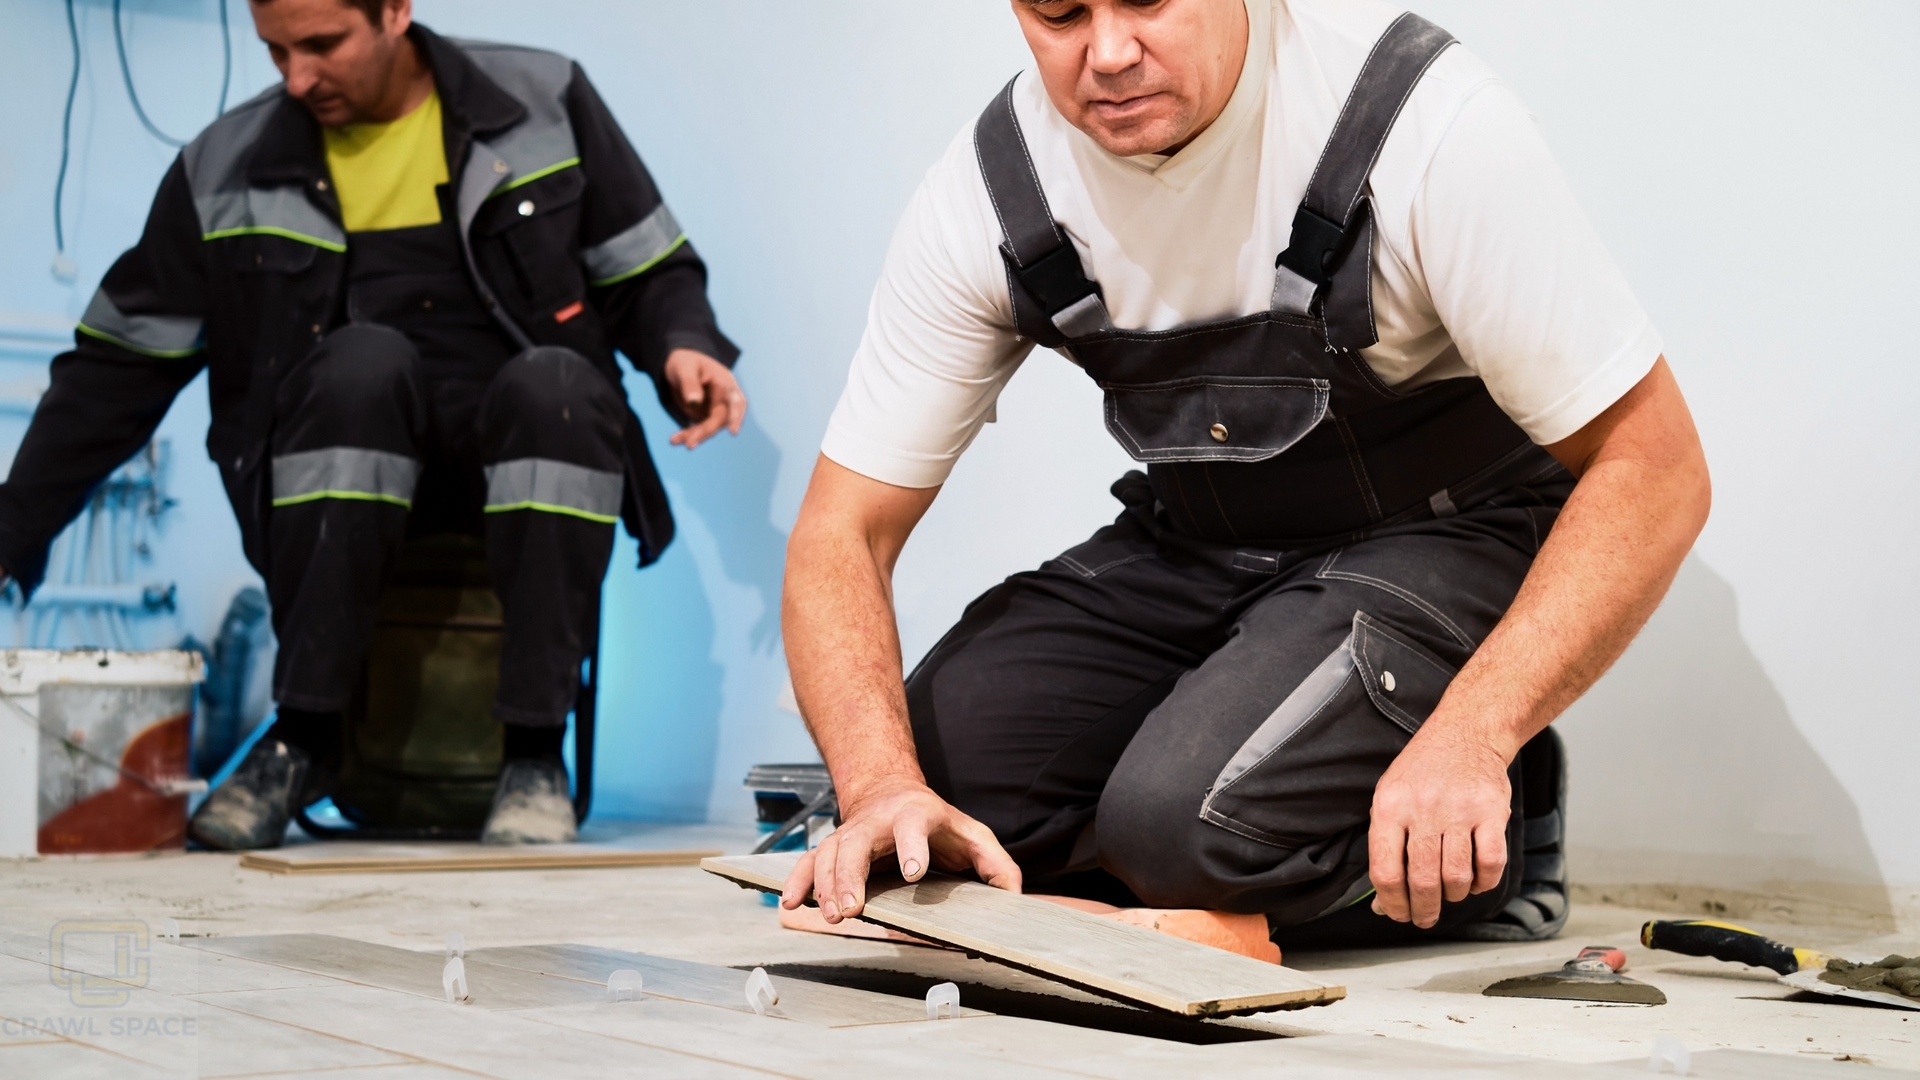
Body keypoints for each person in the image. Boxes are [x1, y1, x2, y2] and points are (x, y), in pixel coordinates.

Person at [778, 0, 1710, 944]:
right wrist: (878, 786)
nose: (1106, 53)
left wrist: (1476, 733)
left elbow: (1655, 470)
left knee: (1186, 831)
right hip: (1201, 543)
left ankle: (1497, 822)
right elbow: (841, 531)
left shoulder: (1417, 121)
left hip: (1448, 530)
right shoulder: (994, 187)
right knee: (926, 800)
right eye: (1058, 14)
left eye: (1147, 1)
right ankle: (1205, 855)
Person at [0, 0, 745, 849]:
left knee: (557, 385)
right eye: (275, 50)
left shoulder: (543, 98)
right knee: (361, 366)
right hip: (339, 481)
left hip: (523, 467)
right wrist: (13, 525)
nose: (296, 77)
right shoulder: (225, 166)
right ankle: (303, 736)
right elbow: (117, 364)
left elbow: (648, 270)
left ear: (396, 10)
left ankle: (536, 751)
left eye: (322, 45)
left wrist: (685, 347)